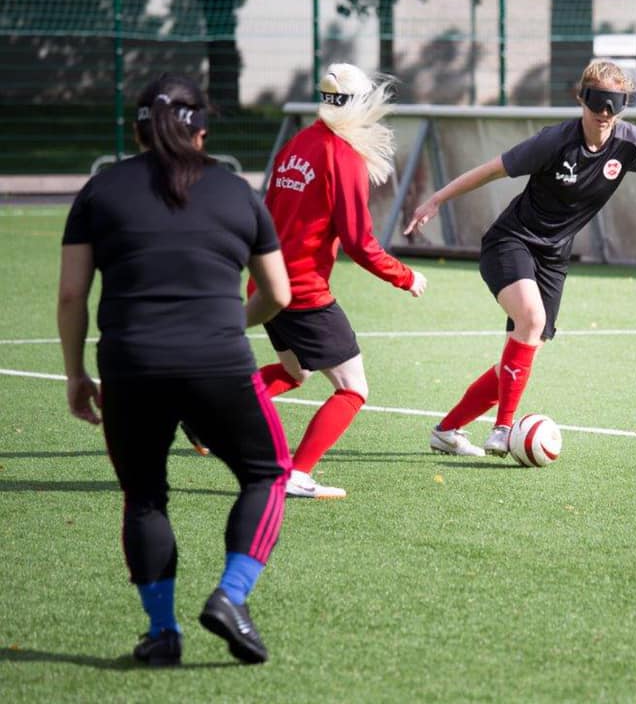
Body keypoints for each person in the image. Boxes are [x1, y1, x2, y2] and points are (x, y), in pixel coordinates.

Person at [57, 73, 292, 666]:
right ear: (204, 130)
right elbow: (279, 295)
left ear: (137, 130)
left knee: (144, 498)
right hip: (218, 360)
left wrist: (76, 375)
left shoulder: (100, 190)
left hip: (130, 365)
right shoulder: (237, 191)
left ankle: (162, 634)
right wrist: (226, 325)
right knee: (268, 472)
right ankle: (231, 598)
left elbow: (70, 297)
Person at [403, 59, 636, 457]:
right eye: (598, 104)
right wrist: (436, 200)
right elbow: (490, 171)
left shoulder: (629, 143)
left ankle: (447, 430)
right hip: (511, 242)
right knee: (532, 320)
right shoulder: (554, 142)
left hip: (554, 259)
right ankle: (503, 429)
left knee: (522, 350)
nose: (605, 115)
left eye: (615, 105)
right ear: (581, 99)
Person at [248, 62, 428, 499]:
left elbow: (266, 212)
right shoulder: (341, 155)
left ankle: (209, 414)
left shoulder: (297, 143)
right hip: (303, 292)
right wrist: (405, 277)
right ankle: (296, 474)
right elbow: (359, 242)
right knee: (353, 388)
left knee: (294, 373)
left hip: (266, 284)